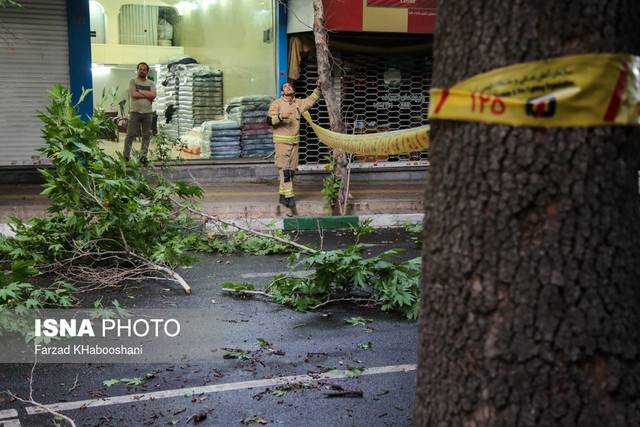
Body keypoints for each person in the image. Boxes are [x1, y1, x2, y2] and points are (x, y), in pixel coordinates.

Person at [267, 80, 321, 209]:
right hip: (281, 143)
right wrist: (280, 116)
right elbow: (269, 120)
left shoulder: (298, 103)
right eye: (285, 86)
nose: (288, 87)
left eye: (289, 86)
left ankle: (282, 195)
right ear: (282, 92)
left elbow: (310, 101)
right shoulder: (276, 103)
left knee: (291, 171)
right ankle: (290, 197)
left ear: (293, 90)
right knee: (284, 170)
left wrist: (318, 88)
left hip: (294, 143)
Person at [124, 62, 156, 163]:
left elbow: (153, 95)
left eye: (144, 69)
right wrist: (147, 94)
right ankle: (126, 157)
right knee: (130, 135)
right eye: (140, 69)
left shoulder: (151, 83)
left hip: (148, 113)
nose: (142, 71)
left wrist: (140, 91)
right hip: (135, 112)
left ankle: (143, 157)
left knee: (146, 135)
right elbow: (133, 94)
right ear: (137, 70)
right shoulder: (133, 81)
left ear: (147, 71)